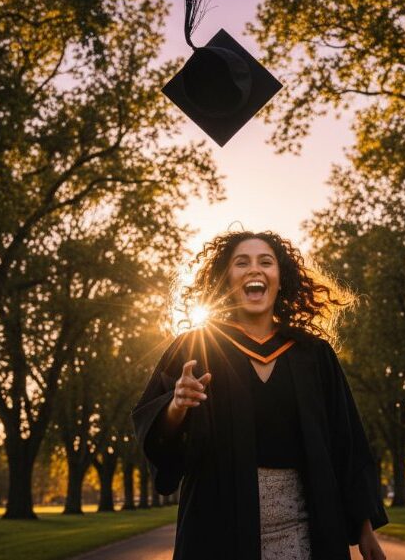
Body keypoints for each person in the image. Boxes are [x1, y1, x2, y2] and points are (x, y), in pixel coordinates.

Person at [132, 230, 388, 560]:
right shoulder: (195, 347)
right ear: (226, 279)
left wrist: (364, 530)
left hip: (305, 528)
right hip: (218, 528)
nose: (255, 269)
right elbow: (157, 438)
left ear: (281, 279)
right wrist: (177, 405)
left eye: (265, 262)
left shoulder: (314, 355)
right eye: (242, 262)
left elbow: (346, 442)